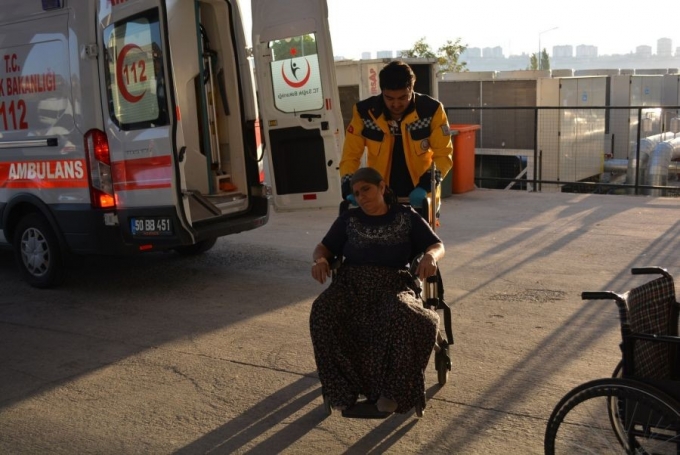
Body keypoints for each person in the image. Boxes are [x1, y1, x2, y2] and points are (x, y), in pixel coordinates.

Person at [309, 167, 445, 416]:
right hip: (352, 284)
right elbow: (324, 247)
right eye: (356, 193)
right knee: (323, 310)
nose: (361, 197)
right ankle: (342, 393)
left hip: (394, 283)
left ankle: (392, 394)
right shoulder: (349, 220)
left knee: (407, 316)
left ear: (382, 187)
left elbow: (437, 244)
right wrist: (320, 261)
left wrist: (430, 257)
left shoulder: (406, 216)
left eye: (366, 189)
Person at [339, 60, 453, 208]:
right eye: (389, 98)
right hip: (380, 196)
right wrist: (349, 186)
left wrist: (425, 186)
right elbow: (350, 156)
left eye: (402, 97)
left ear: (412, 89)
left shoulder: (431, 111)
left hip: (421, 196)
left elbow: (444, 155)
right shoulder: (364, 113)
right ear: (382, 92)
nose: (396, 104)